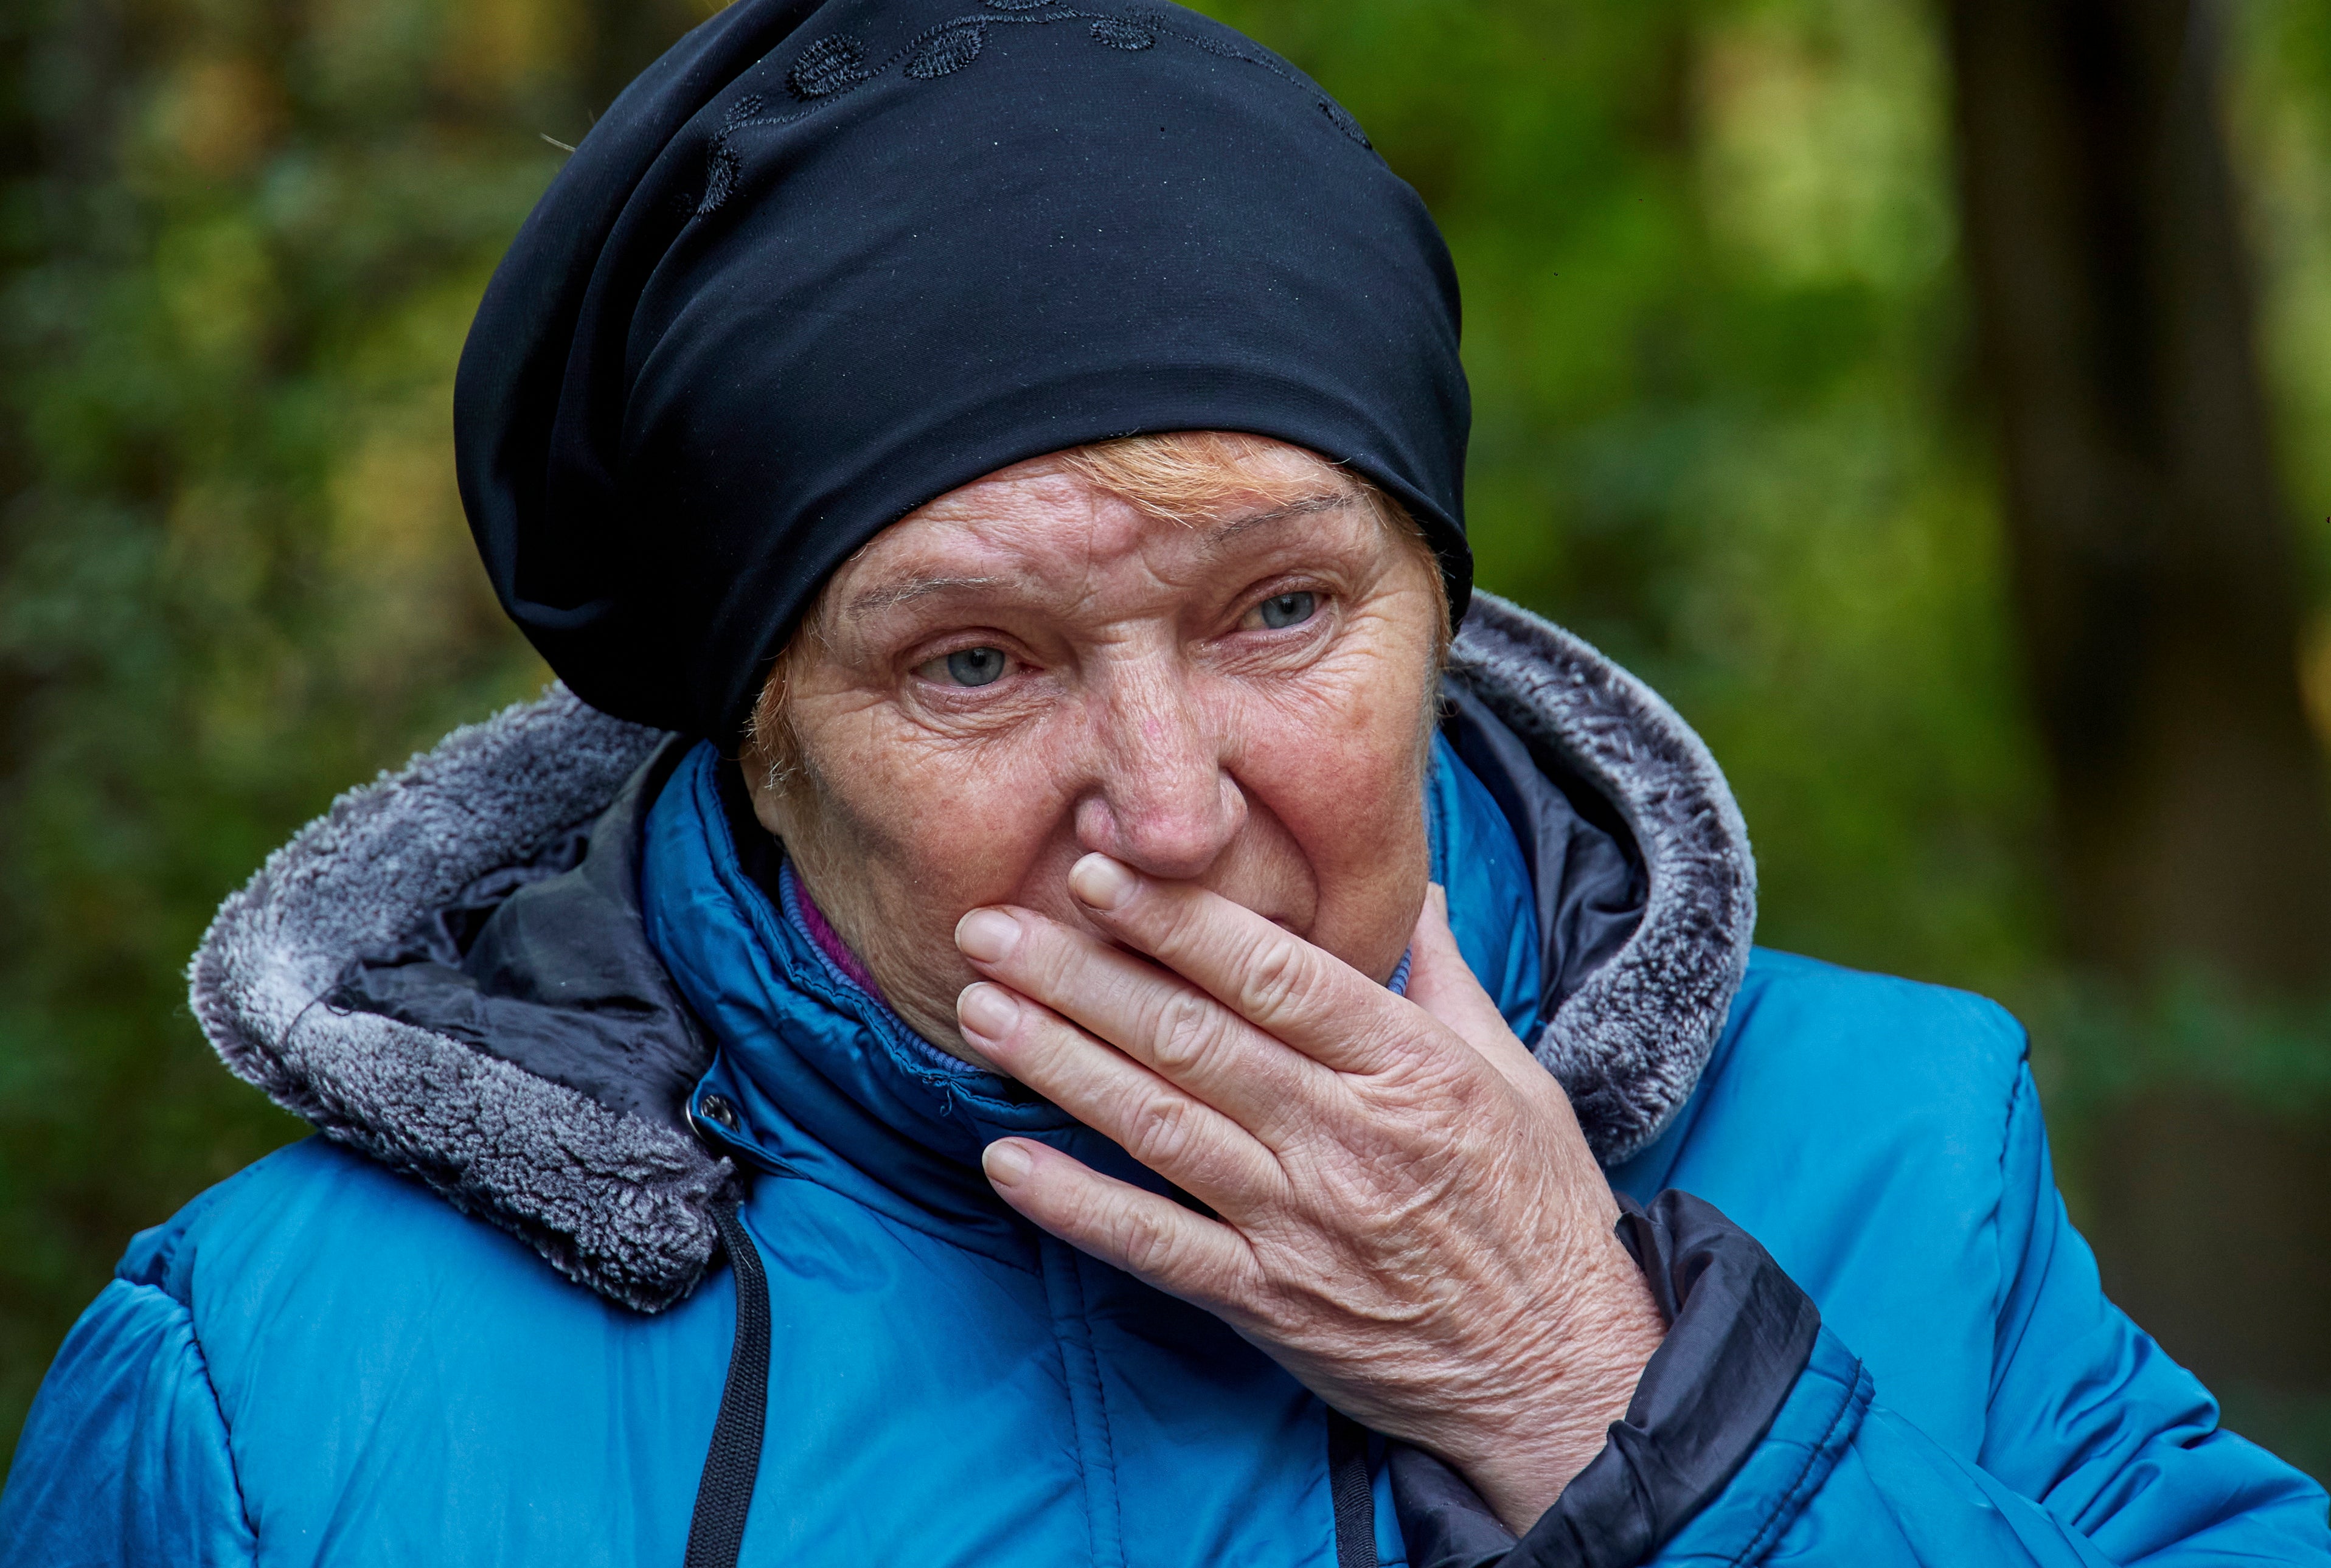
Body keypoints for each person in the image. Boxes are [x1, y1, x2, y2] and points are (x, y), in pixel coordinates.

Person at [2, 0, 2326, 1562]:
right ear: (763, 740)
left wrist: (1616, 1395)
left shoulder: (1904, 1147)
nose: (1172, 806)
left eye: (1281, 610)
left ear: (1441, 602)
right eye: (978, 659)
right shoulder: (286, 1379)